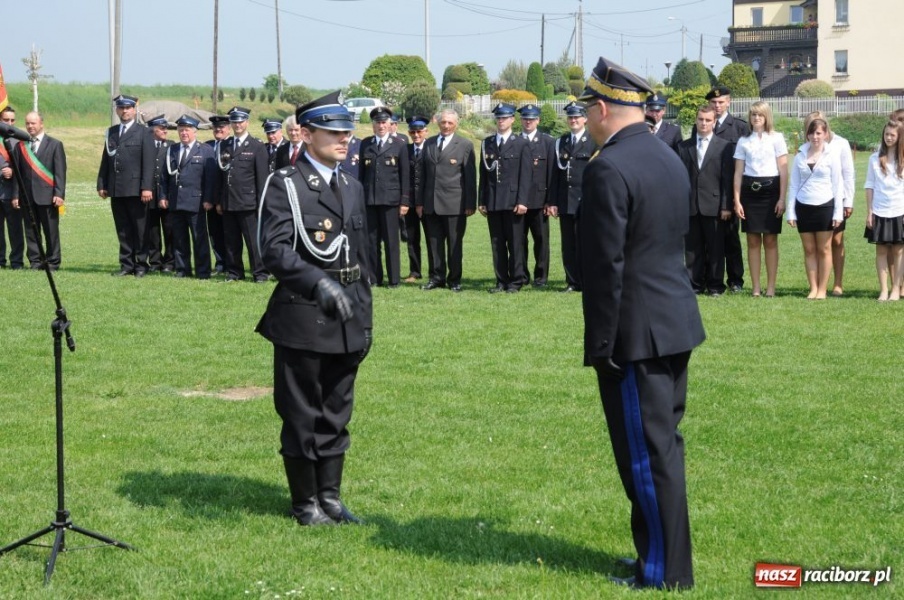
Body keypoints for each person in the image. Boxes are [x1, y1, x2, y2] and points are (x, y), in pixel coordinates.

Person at [577, 57, 705, 591]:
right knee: (662, 448)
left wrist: (602, 344)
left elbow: (606, 269)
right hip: (674, 320)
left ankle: (663, 572)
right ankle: (659, 558)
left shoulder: (608, 167)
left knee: (647, 458)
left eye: (588, 110)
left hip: (635, 335)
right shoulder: (667, 155)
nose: (586, 120)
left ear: (604, 109)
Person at [256, 91, 372, 526]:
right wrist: (319, 283)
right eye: (335, 132)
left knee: (337, 412)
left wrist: (365, 319)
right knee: (302, 412)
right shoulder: (285, 183)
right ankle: (305, 503)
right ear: (306, 134)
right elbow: (275, 251)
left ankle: (331, 497)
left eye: (348, 133)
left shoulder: (351, 185)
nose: (345, 139)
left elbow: (361, 261)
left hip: (346, 318)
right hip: (303, 316)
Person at [732, 101, 789, 298]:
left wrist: (782, 198)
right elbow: (738, 172)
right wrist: (737, 200)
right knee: (752, 240)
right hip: (749, 192)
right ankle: (756, 287)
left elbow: (783, 170)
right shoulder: (743, 141)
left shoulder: (777, 138)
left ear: (767, 117)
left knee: (771, 240)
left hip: (771, 191)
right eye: (753, 115)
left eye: (760, 115)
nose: (756, 118)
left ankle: (771, 287)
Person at [677, 105, 733, 296]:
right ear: (696, 120)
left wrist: (726, 205)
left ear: (714, 122)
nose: (704, 123)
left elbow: (727, 178)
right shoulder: (684, 147)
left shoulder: (724, 146)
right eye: (701, 119)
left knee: (716, 248)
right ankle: (695, 285)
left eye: (708, 120)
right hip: (691, 205)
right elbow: (680, 178)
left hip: (715, 206)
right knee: (693, 249)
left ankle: (716, 286)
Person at [97, 94, 156, 277]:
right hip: (117, 188)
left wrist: (147, 187)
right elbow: (106, 159)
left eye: (128, 108)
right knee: (122, 229)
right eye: (121, 108)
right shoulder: (112, 132)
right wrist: (102, 183)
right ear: (117, 110)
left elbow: (149, 162)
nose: (124, 111)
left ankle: (140, 265)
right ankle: (126, 265)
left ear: (134, 109)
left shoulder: (144, 132)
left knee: (139, 229)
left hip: (136, 189)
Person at [418, 108, 476, 292]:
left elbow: (470, 177)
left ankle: (454, 280)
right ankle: (436, 278)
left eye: (450, 123)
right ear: (438, 122)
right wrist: (420, 202)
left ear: (456, 124)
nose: (446, 126)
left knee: (454, 245)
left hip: (454, 204)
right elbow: (422, 175)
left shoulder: (465, 145)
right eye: (443, 122)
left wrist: (470, 204)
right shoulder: (429, 144)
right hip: (430, 203)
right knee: (433, 244)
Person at [786, 117, 844, 299]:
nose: (815, 136)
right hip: (804, 207)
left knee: (824, 249)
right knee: (809, 250)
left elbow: (838, 185)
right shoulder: (799, 156)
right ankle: (813, 287)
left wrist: (838, 212)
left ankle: (822, 289)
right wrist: (791, 211)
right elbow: (793, 185)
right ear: (807, 135)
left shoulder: (832, 155)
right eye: (812, 133)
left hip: (825, 205)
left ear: (825, 134)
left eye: (819, 133)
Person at [478, 103, 531, 293]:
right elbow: (483, 175)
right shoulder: (488, 143)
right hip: (493, 201)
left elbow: (525, 176)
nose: (501, 121)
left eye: (504, 118)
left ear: (512, 120)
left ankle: (516, 281)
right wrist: (481, 200)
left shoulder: (521, 143)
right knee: (497, 243)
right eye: (498, 118)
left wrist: (523, 201)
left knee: (515, 243)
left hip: (513, 201)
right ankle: (501, 281)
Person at [802, 111, 855, 297]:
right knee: (817, 245)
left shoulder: (840, 143)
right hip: (814, 199)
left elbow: (848, 174)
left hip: (837, 198)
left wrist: (848, 201)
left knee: (837, 240)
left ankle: (838, 283)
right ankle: (817, 284)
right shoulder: (806, 147)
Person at [358, 106, 410, 288]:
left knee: (391, 241)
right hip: (370, 200)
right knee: (371, 242)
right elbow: (360, 175)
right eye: (377, 122)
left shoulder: (400, 144)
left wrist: (404, 201)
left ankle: (394, 279)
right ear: (373, 125)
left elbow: (405, 175)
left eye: (384, 122)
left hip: (391, 201)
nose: (381, 126)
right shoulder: (365, 144)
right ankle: (374, 278)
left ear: (390, 124)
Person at [216, 105, 270, 283]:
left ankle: (259, 273)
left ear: (247, 122)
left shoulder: (256, 146)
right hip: (229, 201)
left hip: (249, 202)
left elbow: (262, 179)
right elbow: (220, 175)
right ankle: (234, 272)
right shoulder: (225, 145)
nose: (237, 125)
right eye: (234, 122)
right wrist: (219, 200)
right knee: (231, 241)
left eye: (240, 121)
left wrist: (261, 204)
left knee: (253, 242)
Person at [158, 115, 215, 279]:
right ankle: (183, 270)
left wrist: (208, 199)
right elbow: (164, 176)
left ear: (194, 131)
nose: (184, 133)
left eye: (187, 130)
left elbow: (210, 178)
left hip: (196, 202)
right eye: (181, 130)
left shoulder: (205, 150)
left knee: (199, 239)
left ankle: (203, 271)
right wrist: (163, 196)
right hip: (176, 201)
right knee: (179, 239)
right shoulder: (172, 150)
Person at [707, 86, 750, 292]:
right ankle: (711, 279)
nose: (717, 106)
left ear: (728, 102)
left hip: (731, 189)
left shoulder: (740, 127)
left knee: (731, 238)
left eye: (721, 102)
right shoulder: (704, 124)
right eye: (714, 103)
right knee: (711, 239)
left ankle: (735, 280)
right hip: (708, 188)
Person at [549, 101, 593, 292]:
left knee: (586, 244)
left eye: (577, 117)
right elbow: (554, 175)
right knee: (568, 245)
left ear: (585, 119)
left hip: (586, 201)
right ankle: (572, 282)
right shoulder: (562, 142)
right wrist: (552, 201)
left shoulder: (594, 141)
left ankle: (587, 281)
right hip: (565, 201)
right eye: (571, 117)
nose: (573, 120)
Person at [17, 111, 67, 270]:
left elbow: (60, 172)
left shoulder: (55, 144)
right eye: (27, 123)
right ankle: (35, 261)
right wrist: (16, 195)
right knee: (31, 231)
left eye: (33, 123)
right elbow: (18, 173)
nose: (30, 126)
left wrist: (59, 194)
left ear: (41, 124)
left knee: (50, 232)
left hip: (48, 196)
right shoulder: (21, 146)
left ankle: (53, 261)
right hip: (27, 197)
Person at [863, 120, 904, 301]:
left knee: (898, 251)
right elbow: (870, 186)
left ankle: (896, 289)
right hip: (879, 210)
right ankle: (884, 290)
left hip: (899, 210)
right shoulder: (874, 158)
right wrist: (870, 211)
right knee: (881, 251)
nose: (888, 138)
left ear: (899, 137)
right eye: (886, 134)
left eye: (892, 135)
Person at [517, 103, 554, 288]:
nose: (528, 122)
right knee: (519, 241)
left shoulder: (548, 142)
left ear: (538, 120)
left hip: (540, 201)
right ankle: (522, 276)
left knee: (541, 241)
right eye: (525, 118)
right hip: (519, 202)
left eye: (531, 119)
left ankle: (541, 278)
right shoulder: (515, 141)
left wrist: (550, 201)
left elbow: (551, 174)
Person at [146, 115, 175, 273]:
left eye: (166, 128)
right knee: (152, 231)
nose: (165, 131)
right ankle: (155, 261)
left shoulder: (172, 146)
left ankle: (170, 261)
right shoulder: (146, 146)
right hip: (150, 195)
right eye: (161, 128)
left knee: (170, 229)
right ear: (152, 130)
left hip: (167, 195)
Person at [404, 115, 430, 283]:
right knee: (412, 239)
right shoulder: (405, 150)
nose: (416, 135)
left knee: (432, 239)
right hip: (410, 203)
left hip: (428, 203)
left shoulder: (432, 148)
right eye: (412, 132)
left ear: (426, 131)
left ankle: (436, 271)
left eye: (419, 131)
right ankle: (415, 271)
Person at [205, 115, 231, 274]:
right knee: (214, 233)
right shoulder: (207, 146)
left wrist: (221, 200)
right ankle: (220, 263)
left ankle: (231, 264)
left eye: (222, 127)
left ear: (229, 128)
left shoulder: (232, 145)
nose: (218, 130)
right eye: (215, 127)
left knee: (229, 234)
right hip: (210, 199)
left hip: (227, 199)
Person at [0, 106, 23, 270]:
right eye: (5, 120)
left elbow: (26, 167)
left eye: (12, 120)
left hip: (12, 193)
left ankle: (16, 262)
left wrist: (13, 170)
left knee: (15, 230)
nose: (9, 123)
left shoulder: (20, 141)